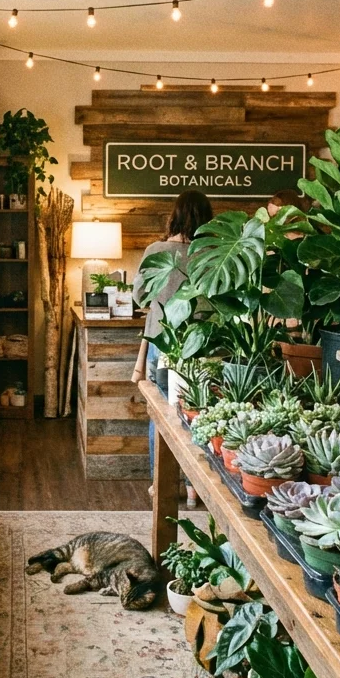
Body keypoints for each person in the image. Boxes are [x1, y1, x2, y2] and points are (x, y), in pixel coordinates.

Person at [132, 190, 212, 481]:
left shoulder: (156, 250)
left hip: (163, 342)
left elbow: (140, 297)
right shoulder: (213, 253)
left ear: (174, 216)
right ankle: (193, 487)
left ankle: (160, 483)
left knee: (161, 413)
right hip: (202, 344)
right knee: (199, 414)